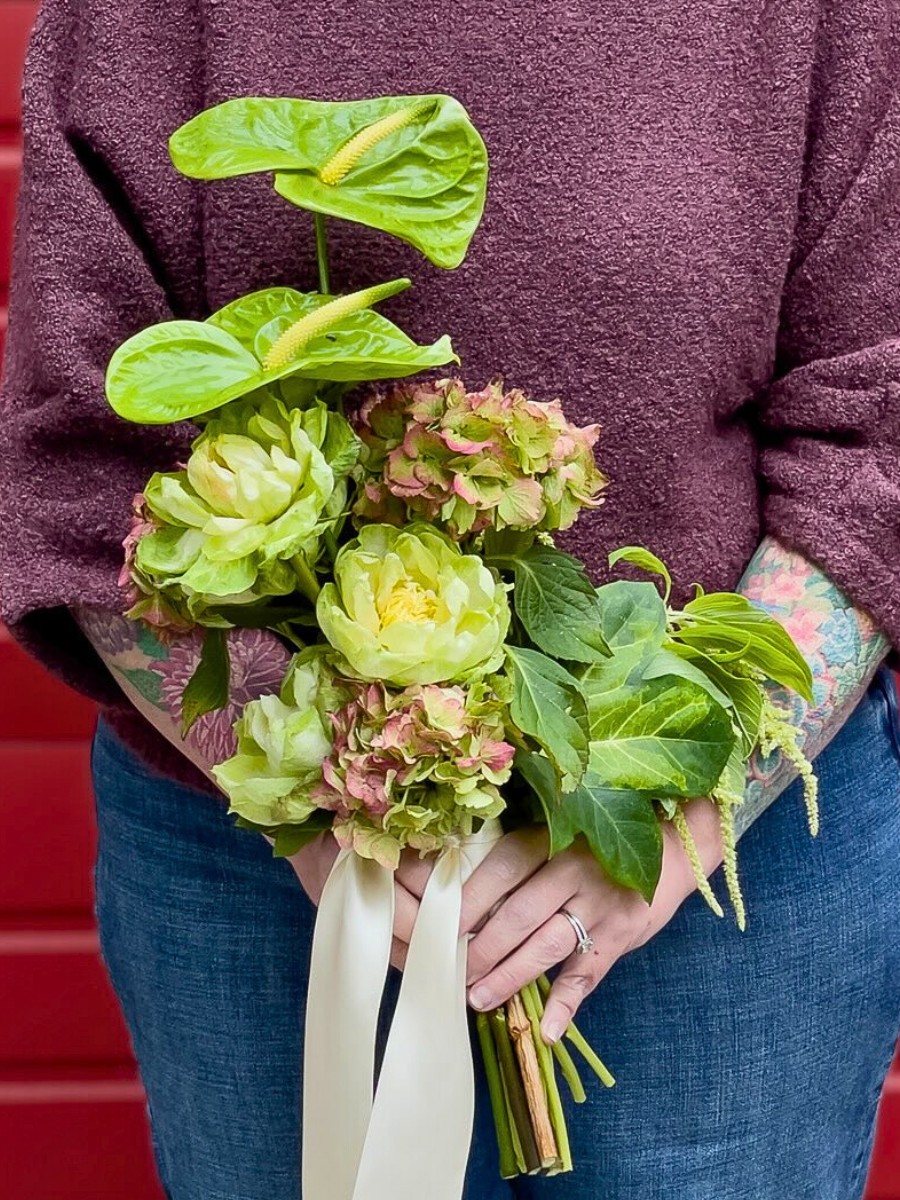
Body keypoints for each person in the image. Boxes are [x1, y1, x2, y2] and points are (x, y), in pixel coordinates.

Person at [1, 0, 899, 1196]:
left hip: (731, 875)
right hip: (266, 862)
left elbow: (875, 436)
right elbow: (81, 455)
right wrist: (329, 788)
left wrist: (675, 808)